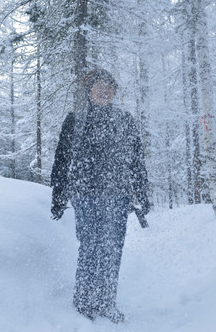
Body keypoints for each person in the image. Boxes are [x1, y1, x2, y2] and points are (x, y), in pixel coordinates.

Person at [50, 68, 150, 323]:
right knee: (90, 246)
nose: (104, 91)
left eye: (109, 88)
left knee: (113, 249)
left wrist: (141, 191)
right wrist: (58, 195)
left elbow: (136, 159)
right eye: (98, 87)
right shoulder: (75, 120)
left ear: (114, 92)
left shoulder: (125, 120)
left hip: (117, 196)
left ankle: (106, 302)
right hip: (85, 194)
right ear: (89, 91)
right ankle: (83, 301)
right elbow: (62, 160)